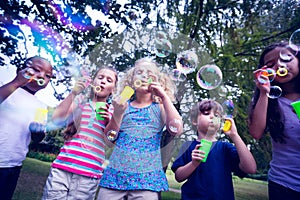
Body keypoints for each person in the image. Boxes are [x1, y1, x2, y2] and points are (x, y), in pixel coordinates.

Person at [97, 58, 183, 200]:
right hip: (116, 175)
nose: (144, 76)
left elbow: (176, 129)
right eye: (140, 72)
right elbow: (108, 140)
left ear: (158, 82)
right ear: (131, 80)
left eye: (150, 74)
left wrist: (164, 96)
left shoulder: (160, 108)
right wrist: (117, 114)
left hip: (147, 180)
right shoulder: (122, 106)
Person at [42, 67, 117, 200]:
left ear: (113, 89)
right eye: (100, 77)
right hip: (62, 167)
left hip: (89, 173)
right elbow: (56, 118)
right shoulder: (80, 102)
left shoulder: (113, 111)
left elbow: (111, 142)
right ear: (93, 82)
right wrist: (74, 93)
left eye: (109, 80)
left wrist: (108, 122)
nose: (103, 81)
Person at [172, 99, 256, 200]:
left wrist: (234, 135)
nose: (212, 117)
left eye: (217, 115)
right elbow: (178, 177)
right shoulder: (187, 146)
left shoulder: (225, 148)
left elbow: (251, 168)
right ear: (195, 121)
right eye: (207, 113)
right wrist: (193, 164)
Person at [248, 41, 300, 199]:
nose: (279, 65)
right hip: (284, 184)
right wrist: (264, 92)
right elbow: (256, 132)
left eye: (286, 58)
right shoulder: (271, 102)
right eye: (270, 64)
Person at [0, 56, 53, 200]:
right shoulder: (6, 86)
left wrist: (38, 133)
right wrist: (16, 82)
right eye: (36, 69)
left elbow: (38, 138)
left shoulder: (41, 107)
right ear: (20, 70)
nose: (41, 75)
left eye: (47, 76)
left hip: (12, 165)